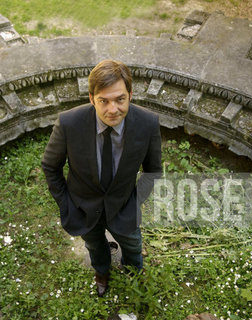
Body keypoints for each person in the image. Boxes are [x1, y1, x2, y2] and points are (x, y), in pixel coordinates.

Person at [41, 59, 162, 297]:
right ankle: (102, 271)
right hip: (84, 209)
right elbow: (50, 166)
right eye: (103, 101)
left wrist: (134, 203)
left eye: (120, 99)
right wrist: (67, 205)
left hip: (124, 206)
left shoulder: (148, 123)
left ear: (130, 95)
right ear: (91, 98)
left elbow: (154, 171)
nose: (112, 109)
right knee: (95, 245)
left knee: (133, 245)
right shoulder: (69, 123)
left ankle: (133, 271)